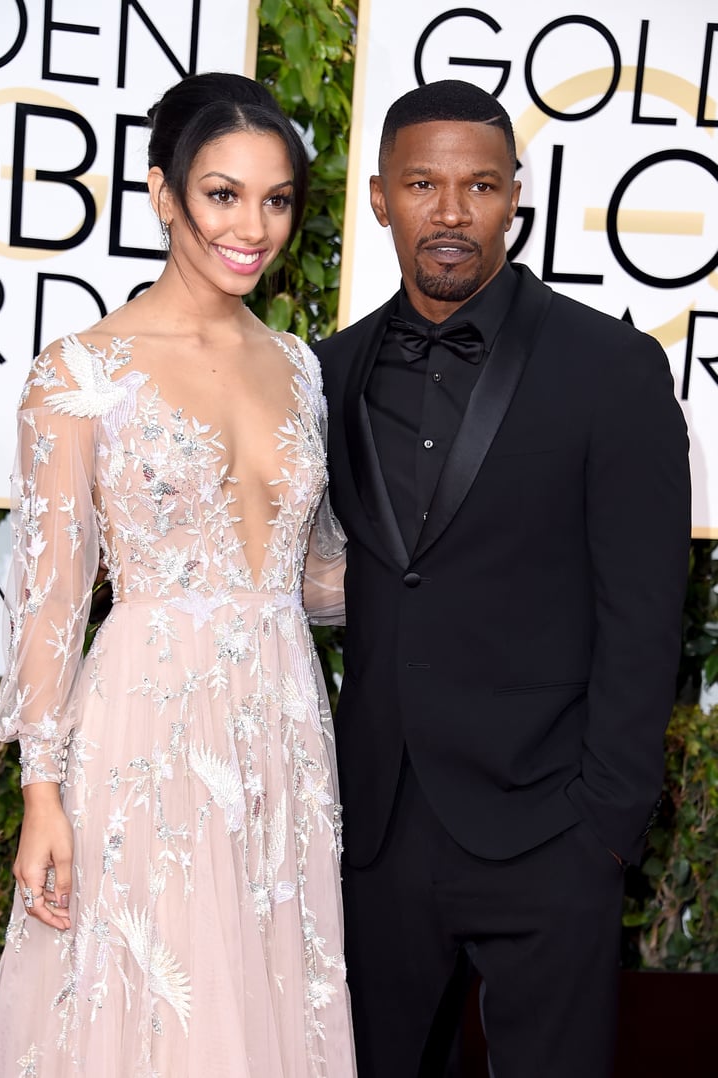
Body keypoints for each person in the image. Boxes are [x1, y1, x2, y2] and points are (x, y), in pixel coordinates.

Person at [0, 71, 355, 1078]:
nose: (254, 226)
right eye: (223, 194)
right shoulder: (83, 370)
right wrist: (42, 792)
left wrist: (460, 567)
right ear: (163, 193)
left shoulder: (300, 367)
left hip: (281, 724)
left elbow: (312, 580)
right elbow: (52, 600)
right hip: (146, 728)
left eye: (276, 200)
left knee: (268, 1002)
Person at [314, 79, 691, 1078]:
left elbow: (647, 611)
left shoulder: (610, 368)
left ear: (515, 196)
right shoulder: (331, 372)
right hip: (380, 830)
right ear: (381, 197)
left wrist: (603, 826)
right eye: (423, 184)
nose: (450, 211)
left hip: (548, 828)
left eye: (479, 184)